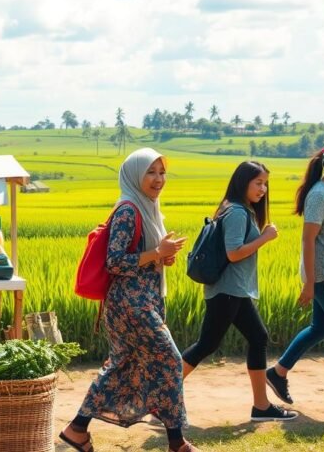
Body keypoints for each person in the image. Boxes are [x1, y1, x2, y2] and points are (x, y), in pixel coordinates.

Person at [60, 148, 195, 452]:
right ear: (135, 175)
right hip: (131, 306)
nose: (158, 179)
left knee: (122, 364)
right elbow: (115, 262)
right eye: (151, 172)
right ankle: (177, 443)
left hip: (140, 301)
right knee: (171, 361)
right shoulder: (128, 210)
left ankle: (77, 428)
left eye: (162, 172)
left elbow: (143, 257)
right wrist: (156, 254)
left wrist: (161, 257)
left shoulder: (147, 206)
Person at [180, 161, 297, 421]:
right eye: (258, 183)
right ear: (242, 182)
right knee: (207, 344)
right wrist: (265, 238)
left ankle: (261, 407)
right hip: (228, 290)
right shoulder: (236, 212)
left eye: (265, 183)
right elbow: (234, 253)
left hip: (235, 290)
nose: (263, 188)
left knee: (258, 337)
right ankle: (161, 397)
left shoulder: (239, 210)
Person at [266, 141, 324, 413]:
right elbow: (308, 239)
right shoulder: (320, 194)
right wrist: (309, 282)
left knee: (322, 328)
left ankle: (278, 372)